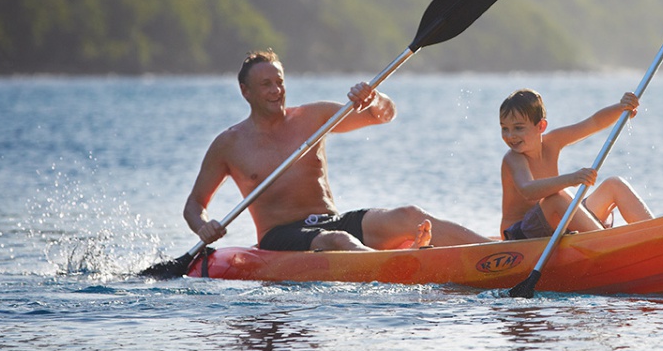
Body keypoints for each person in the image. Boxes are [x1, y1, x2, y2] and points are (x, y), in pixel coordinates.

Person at [184, 49, 491, 251]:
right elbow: (194, 205)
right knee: (340, 241)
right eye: (266, 84)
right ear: (245, 91)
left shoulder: (313, 117)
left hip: (329, 220)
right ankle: (398, 265)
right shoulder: (229, 144)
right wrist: (203, 227)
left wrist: (374, 98)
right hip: (280, 236)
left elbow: (383, 115)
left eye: (279, 81)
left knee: (409, 215)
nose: (276, 90)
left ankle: (496, 252)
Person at [498, 88, 653, 240]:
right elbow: (527, 190)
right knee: (557, 197)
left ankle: (653, 233)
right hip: (519, 235)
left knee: (614, 184)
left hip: (553, 225)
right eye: (504, 128)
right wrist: (571, 179)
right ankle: (607, 242)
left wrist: (620, 108)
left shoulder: (552, 142)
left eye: (518, 128)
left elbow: (593, 123)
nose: (510, 136)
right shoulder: (513, 158)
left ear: (541, 126)